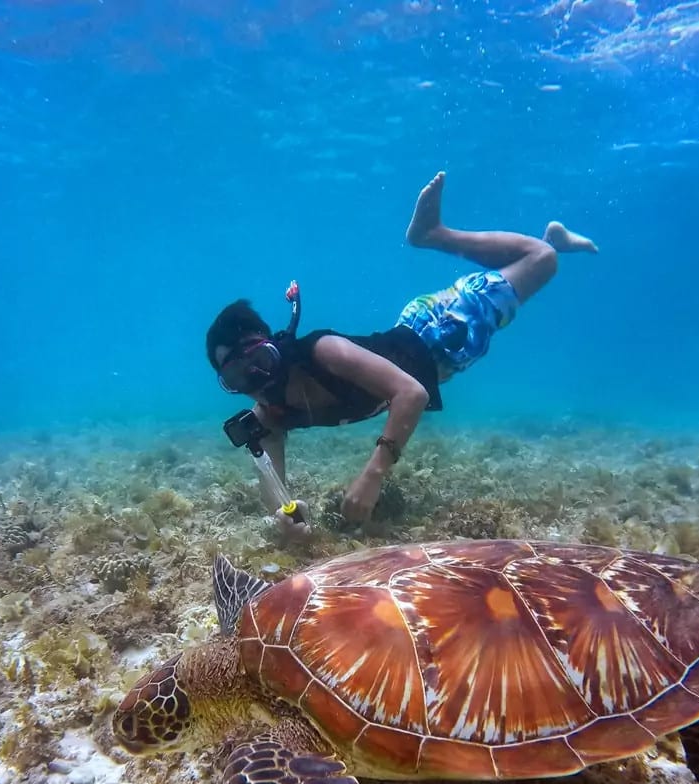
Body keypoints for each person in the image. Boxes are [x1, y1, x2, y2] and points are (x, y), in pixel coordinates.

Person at [206, 170, 597, 537]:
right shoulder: (270, 416)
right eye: (238, 378)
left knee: (541, 263)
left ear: (275, 345)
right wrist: (285, 517)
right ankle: (553, 238)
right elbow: (273, 488)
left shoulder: (323, 352)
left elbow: (411, 394)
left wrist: (373, 474)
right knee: (531, 265)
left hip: (442, 331)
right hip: (424, 342)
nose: (257, 381)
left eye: (259, 362)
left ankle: (434, 234)